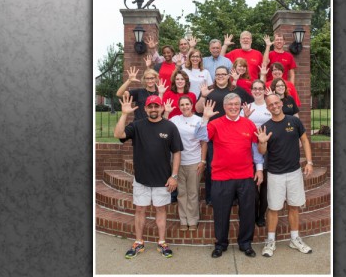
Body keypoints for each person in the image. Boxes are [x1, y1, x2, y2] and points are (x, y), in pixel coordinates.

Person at [113, 94, 183, 259]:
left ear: (161, 108)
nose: (153, 109)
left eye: (156, 106)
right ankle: (138, 242)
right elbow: (118, 134)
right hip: (141, 179)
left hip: (162, 180)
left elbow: (177, 152)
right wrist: (124, 114)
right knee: (139, 209)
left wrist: (174, 176)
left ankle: (162, 242)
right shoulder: (137, 126)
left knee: (161, 210)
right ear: (145, 109)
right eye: (150, 106)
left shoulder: (170, 127)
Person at [195, 94, 264, 258]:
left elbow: (256, 149)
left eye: (236, 104)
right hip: (221, 177)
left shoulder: (249, 124)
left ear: (240, 106)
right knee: (221, 212)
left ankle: (245, 243)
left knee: (247, 212)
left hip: (246, 175)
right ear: (224, 107)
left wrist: (259, 169)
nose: (233, 107)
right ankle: (220, 244)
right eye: (230, 104)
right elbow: (200, 136)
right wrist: (205, 117)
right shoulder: (215, 124)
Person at [255, 94, 314, 257]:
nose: (274, 106)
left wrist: (309, 162)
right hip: (275, 174)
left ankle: (295, 239)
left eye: (276, 103)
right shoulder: (265, 127)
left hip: (294, 172)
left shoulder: (294, 121)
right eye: (270, 105)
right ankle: (270, 241)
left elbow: (304, 140)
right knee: (273, 208)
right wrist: (262, 142)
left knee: (294, 206)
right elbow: (262, 152)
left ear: (281, 103)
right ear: (267, 108)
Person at [195, 66, 253, 205]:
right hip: (213, 134)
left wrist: (244, 116)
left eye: (223, 74)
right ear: (215, 76)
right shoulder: (208, 89)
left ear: (228, 76)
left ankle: (233, 197)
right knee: (211, 166)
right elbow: (198, 109)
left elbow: (250, 102)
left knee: (233, 166)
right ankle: (211, 197)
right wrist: (203, 95)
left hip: (234, 134)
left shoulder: (235, 90)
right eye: (217, 74)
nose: (220, 76)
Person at [164, 96, 207, 231]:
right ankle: (183, 219)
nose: (185, 107)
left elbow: (204, 142)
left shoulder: (198, 120)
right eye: (182, 105)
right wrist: (166, 112)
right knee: (182, 193)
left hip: (194, 161)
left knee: (193, 192)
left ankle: (193, 220)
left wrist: (203, 160)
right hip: (178, 163)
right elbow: (162, 128)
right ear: (179, 106)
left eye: (187, 104)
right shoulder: (175, 120)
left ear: (192, 105)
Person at [240, 79, 271, 228]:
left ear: (264, 90)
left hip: (269, 149)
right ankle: (252, 212)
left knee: (265, 186)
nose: (257, 91)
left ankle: (261, 216)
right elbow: (239, 127)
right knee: (252, 186)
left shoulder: (269, 106)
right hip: (249, 151)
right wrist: (245, 118)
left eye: (260, 88)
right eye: (255, 89)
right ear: (251, 91)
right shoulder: (247, 107)